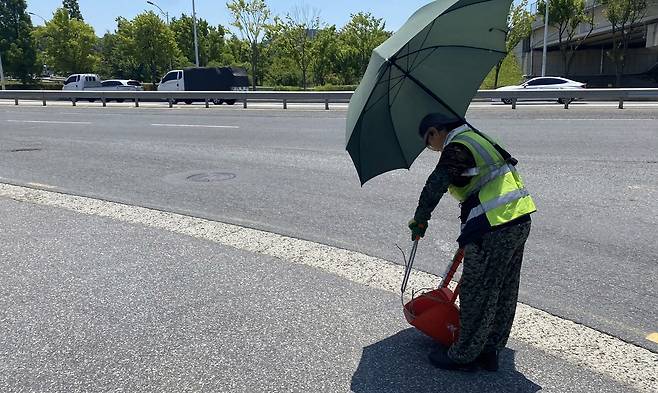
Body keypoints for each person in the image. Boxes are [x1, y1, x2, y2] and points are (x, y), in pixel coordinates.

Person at [408, 113, 536, 372]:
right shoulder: (478, 138)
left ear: (435, 131)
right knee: (502, 289)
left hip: (493, 224)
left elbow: (435, 185)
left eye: (427, 142)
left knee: (476, 293)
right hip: (518, 218)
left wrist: (420, 219)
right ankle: (490, 350)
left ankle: (463, 354)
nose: (431, 148)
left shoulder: (457, 147)